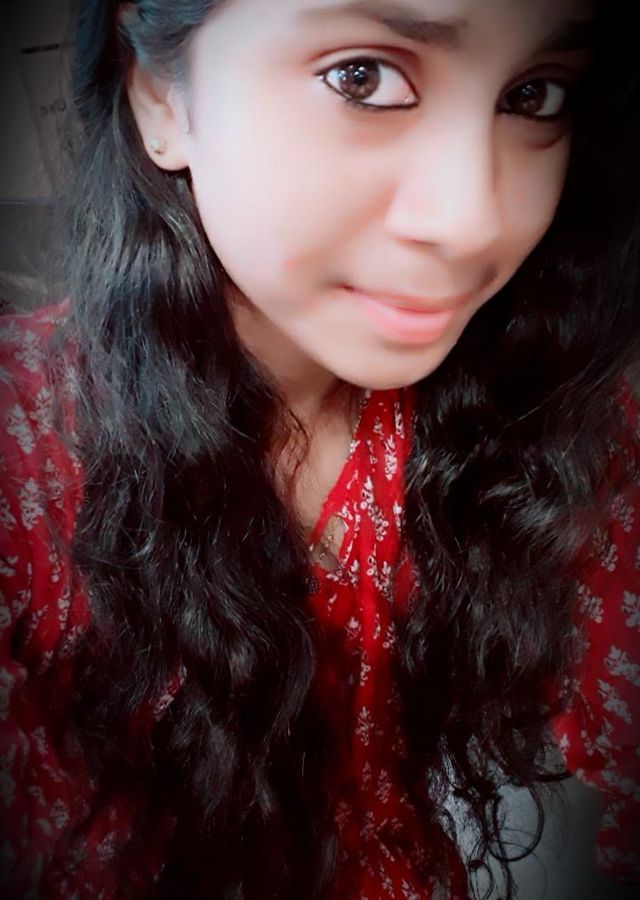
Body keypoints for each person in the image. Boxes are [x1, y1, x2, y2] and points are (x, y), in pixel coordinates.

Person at [0, 0, 638, 897]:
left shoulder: (536, 394)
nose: (475, 219)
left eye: (533, 96)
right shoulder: (21, 454)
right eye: (362, 77)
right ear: (160, 96)